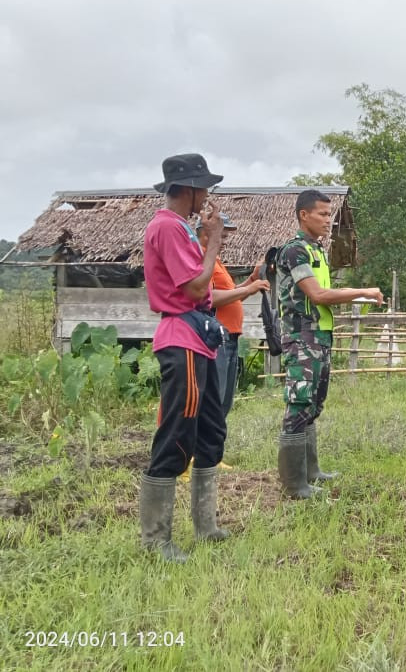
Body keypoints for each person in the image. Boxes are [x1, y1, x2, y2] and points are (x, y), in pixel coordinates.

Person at [140, 153, 228, 562]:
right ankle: (157, 540)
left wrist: (206, 241)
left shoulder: (182, 229)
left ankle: (205, 526)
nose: (207, 195)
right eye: (204, 188)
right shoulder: (168, 228)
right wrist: (214, 243)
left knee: (211, 429)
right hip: (182, 339)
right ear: (189, 189)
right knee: (178, 433)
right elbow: (194, 289)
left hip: (200, 337)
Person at [276, 189, 384, 499]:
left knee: (313, 404)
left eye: (329, 214)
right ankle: (294, 485)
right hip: (301, 336)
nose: (328, 220)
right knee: (298, 404)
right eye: (323, 214)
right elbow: (319, 295)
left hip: (320, 335)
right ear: (303, 215)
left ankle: (311, 472)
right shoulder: (294, 251)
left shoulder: (317, 251)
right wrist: (361, 291)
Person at [199, 213, 270, 428]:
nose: (225, 242)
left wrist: (252, 279)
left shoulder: (215, 261)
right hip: (216, 337)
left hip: (230, 336)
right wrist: (249, 288)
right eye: (222, 236)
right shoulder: (201, 258)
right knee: (214, 399)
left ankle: (213, 453)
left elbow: (230, 294)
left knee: (224, 399)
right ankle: (203, 455)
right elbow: (209, 298)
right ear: (206, 234)